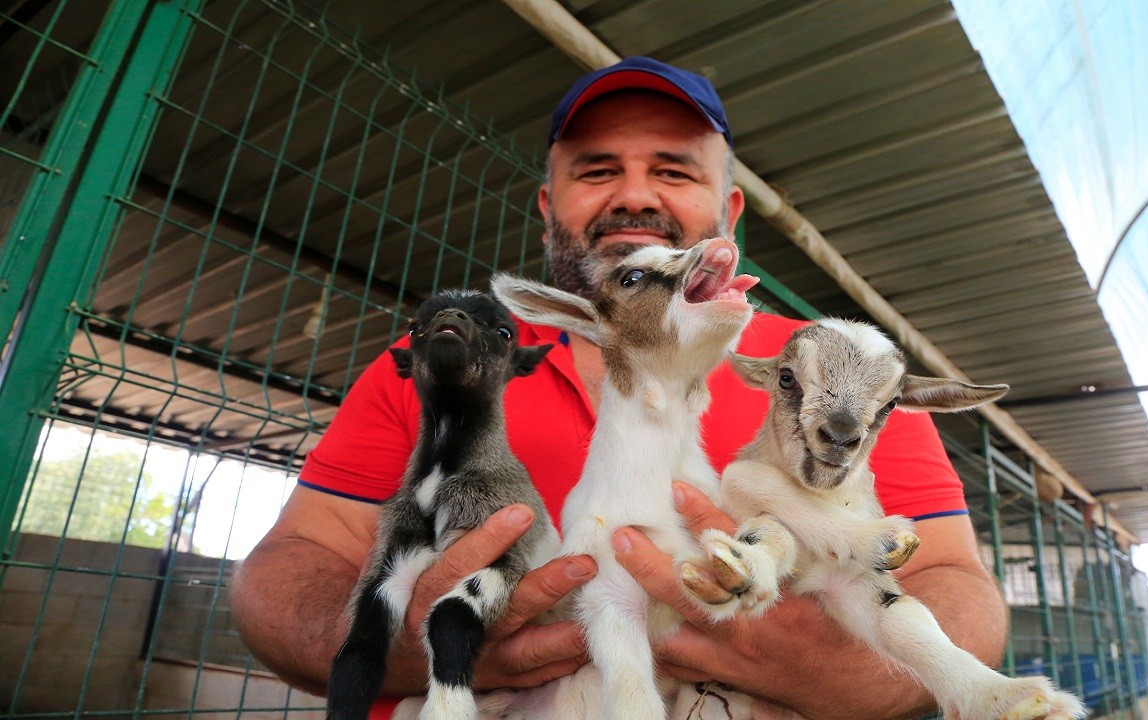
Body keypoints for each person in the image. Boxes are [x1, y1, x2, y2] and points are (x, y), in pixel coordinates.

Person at [230, 56, 1008, 720]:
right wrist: (403, 645)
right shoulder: (438, 359)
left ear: (727, 212)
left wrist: (850, 675)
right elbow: (290, 566)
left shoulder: (831, 368)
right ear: (548, 208)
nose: (635, 197)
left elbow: (953, 581)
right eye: (597, 170)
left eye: (673, 170)